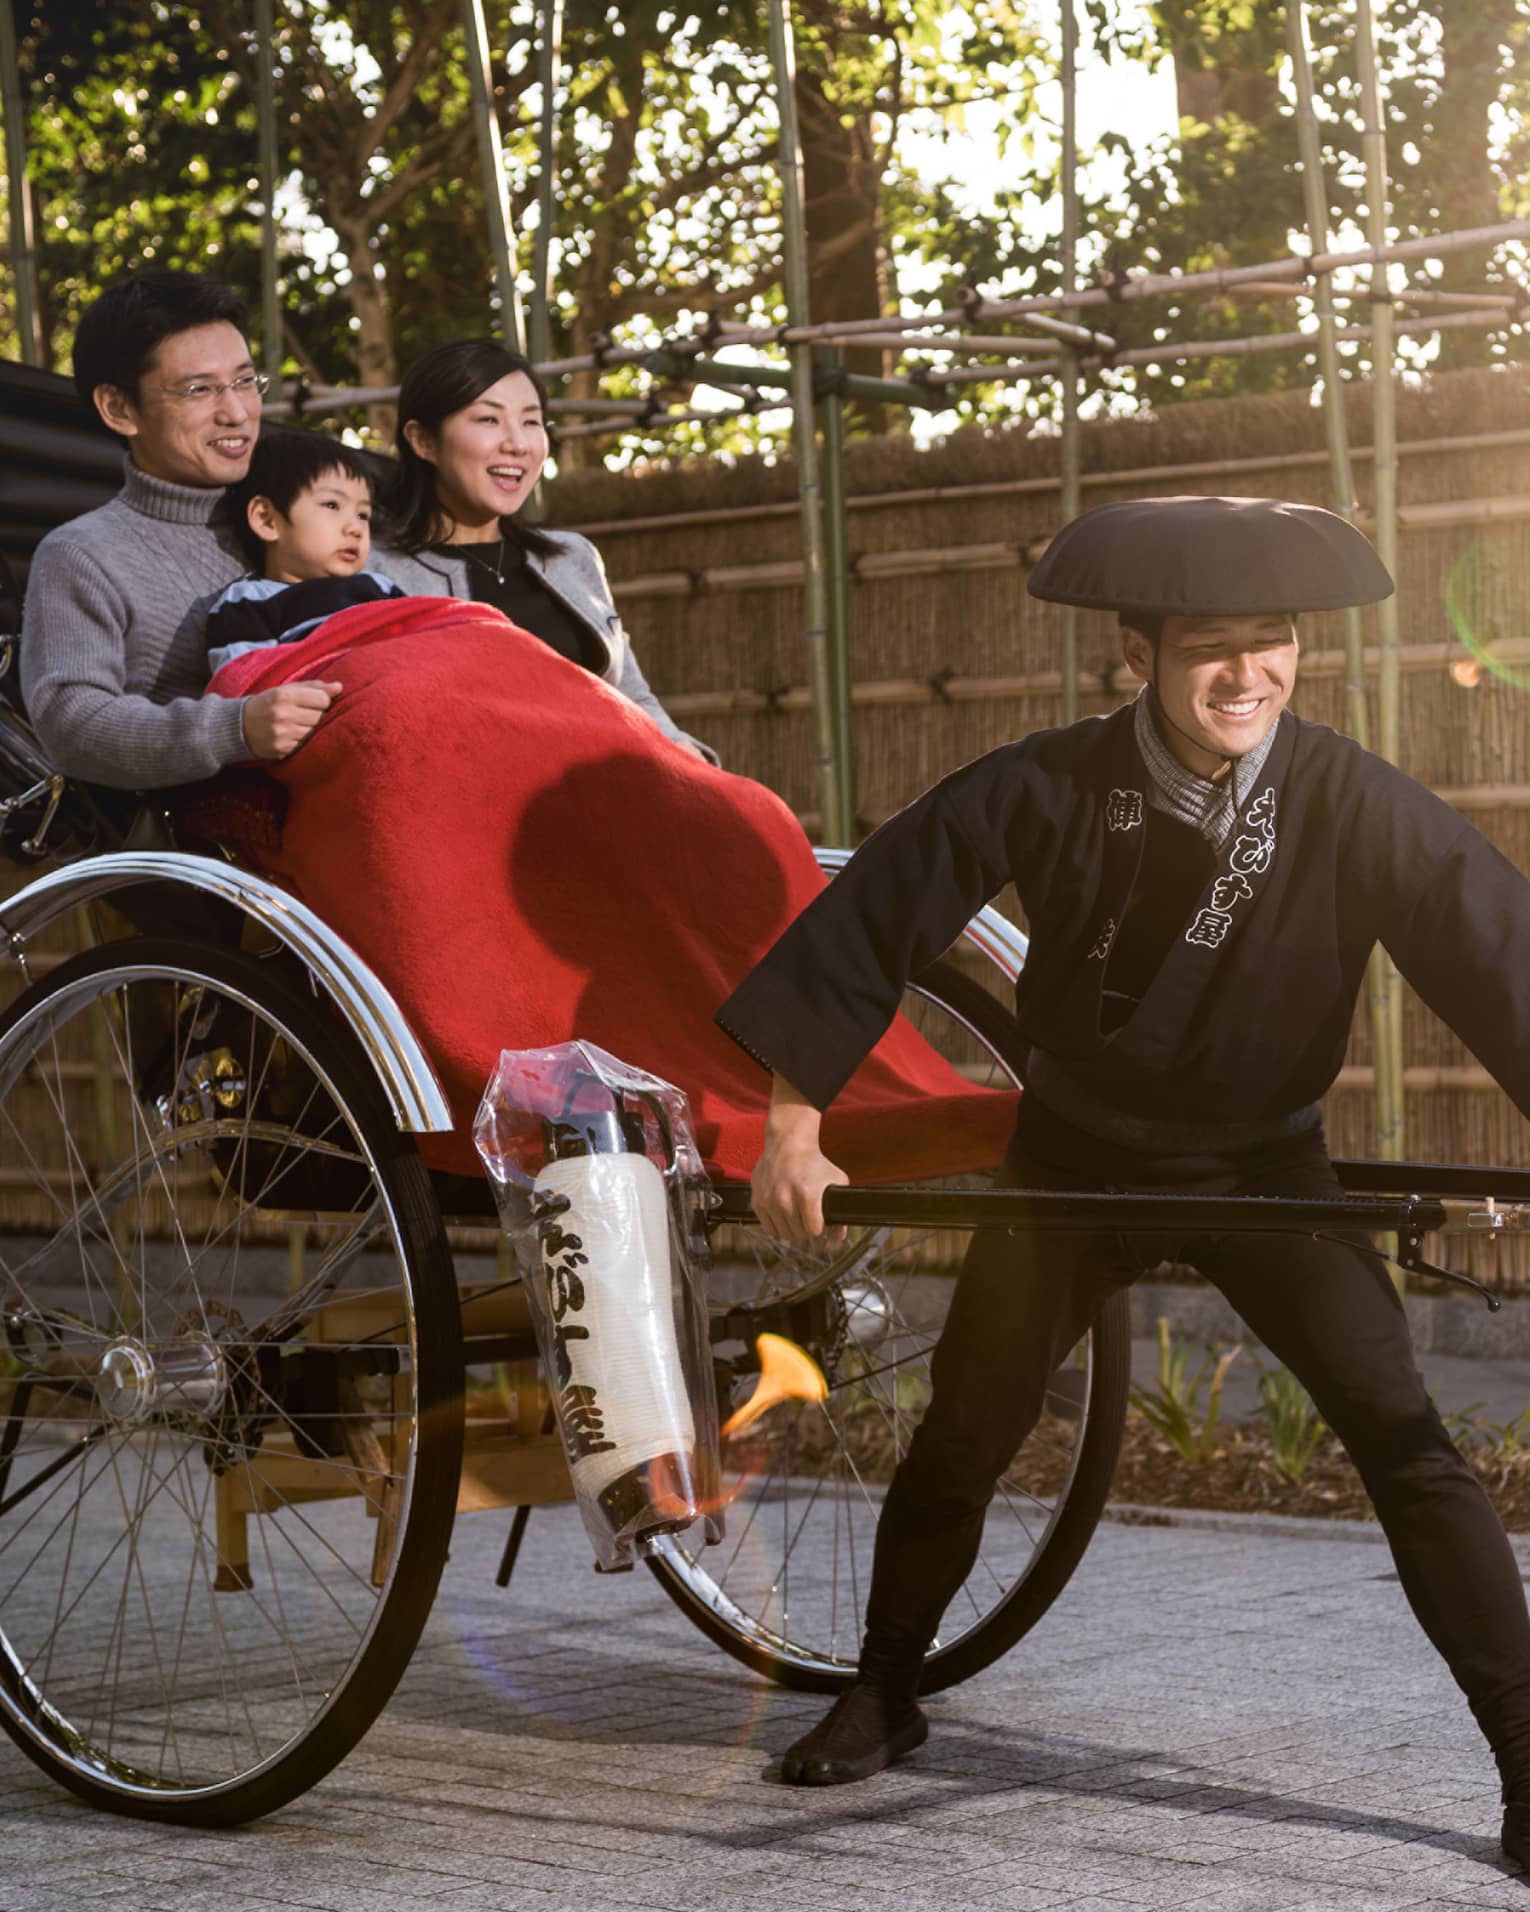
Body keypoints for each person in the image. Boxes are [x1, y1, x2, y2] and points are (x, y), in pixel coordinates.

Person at [716, 494, 1530, 1868]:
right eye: (1211, 647)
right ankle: (884, 1691)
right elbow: (878, 912)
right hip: (1073, 1158)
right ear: (1136, 656)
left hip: (1260, 1163)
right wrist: (792, 1123)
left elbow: (1491, 950)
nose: (1245, 677)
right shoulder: (1042, 782)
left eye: (1270, 645)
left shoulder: (1343, 797)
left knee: (1405, 1440)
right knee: (965, 1430)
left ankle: (1521, 1757)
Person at [20, 269, 343, 785]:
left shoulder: (306, 513)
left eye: (244, 380)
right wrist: (234, 729)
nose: (237, 412)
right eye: (200, 390)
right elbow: (73, 723)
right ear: (119, 408)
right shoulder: (82, 555)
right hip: (200, 853)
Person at [373, 336, 715, 762]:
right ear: (423, 441)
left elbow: (630, 693)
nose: (517, 443)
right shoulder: (373, 571)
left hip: (598, 797)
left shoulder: (572, 557)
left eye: (531, 422)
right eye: (488, 420)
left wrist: (682, 751)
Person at [204, 429, 403, 674]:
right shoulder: (249, 601)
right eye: (332, 505)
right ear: (267, 520)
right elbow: (245, 683)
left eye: (363, 515)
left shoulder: (378, 587)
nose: (356, 528)